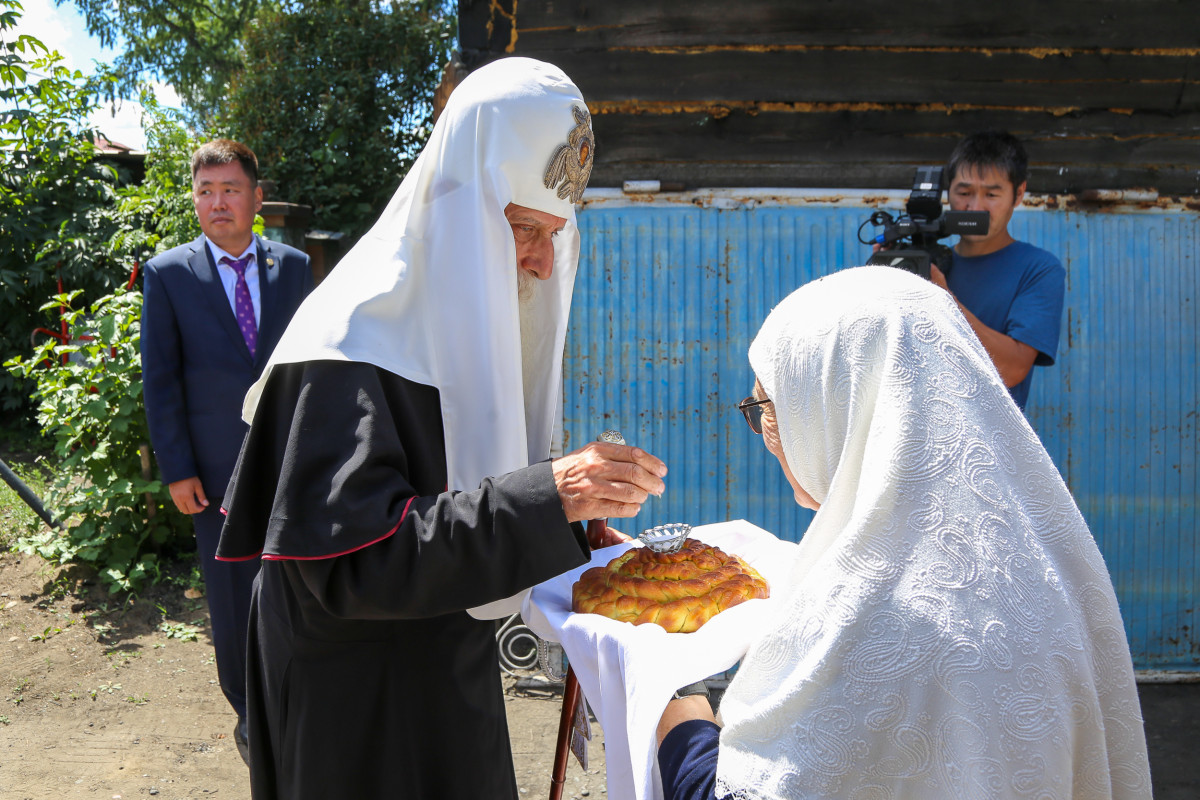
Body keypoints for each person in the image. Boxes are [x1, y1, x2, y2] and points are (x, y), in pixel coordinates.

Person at [214, 57, 668, 799]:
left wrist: (570, 529)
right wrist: (549, 495)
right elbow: (357, 564)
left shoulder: (449, 324)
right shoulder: (352, 340)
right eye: (525, 229)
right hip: (356, 703)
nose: (543, 263)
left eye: (556, 234)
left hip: (440, 659)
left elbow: (465, 487)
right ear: (466, 211)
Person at [655, 266, 1151, 800]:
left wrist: (672, 700)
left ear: (833, 407)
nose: (766, 436)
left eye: (765, 408)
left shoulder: (872, 610)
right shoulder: (1056, 563)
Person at [140, 139, 314, 763]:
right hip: (212, 472)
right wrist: (178, 469)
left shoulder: (293, 268)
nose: (218, 203)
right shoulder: (168, 275)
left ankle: (298, 697)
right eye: (206, 191)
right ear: (194, 200)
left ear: (256, 197)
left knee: (298, 579)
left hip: (290, 461)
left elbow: (313, 365)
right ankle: (249, 715)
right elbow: (160, 381)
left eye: (230, 189)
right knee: (232, 590)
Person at [931, 129, 1066, 412]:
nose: (975, 207)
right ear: (948, 194)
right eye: (964, 193)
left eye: (991, 194)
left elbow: (1012, 369)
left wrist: (943, 299)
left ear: (1018, 195)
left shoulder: (1038, 269)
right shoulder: (929, 265)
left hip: (991, 449)